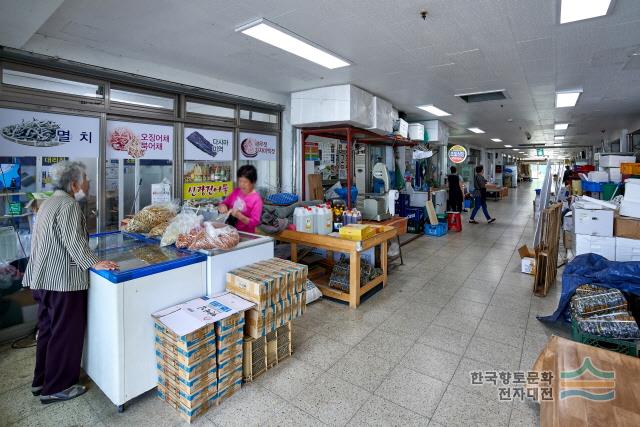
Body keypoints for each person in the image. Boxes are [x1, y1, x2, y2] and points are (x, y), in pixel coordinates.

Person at [22, 161, 118, 404]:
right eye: (85, 179)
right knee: (65, 333)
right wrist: (94, 263)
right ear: (73, 183)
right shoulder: (68, 205)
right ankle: (58, 387)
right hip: (62, 282)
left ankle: (41, 381)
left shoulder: (47, 203)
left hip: (42, 279)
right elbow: (73, 242)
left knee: (48, 331)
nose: (87, 184)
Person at [217, 165, 263, 234]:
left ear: (253, 182)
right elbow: (225, 203)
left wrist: (240, 216)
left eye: (245, 182)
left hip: (246, 235)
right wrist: (222, 206)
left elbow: (254, 223)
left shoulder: (257, 200)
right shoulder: (236, 191)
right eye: (240, 181)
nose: (242, 184)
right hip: (230, 232)